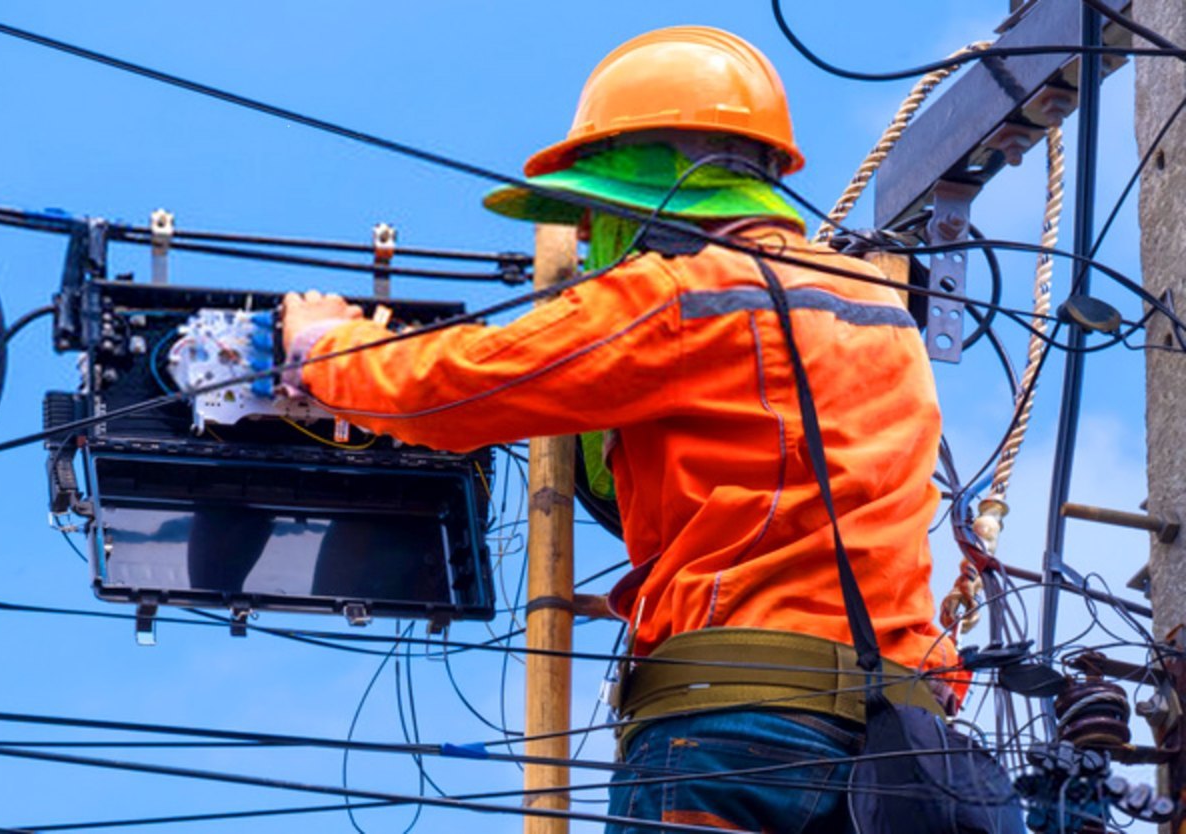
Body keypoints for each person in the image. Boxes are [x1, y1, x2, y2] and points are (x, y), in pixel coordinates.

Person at [281, 26, 984, 832]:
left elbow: (456, 385)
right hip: (899, 759)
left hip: (733, 737)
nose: (591, 249)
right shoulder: (877, 307)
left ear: (637, 194)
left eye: (593, 222)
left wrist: (324, 349)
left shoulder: (683, 294)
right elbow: (771, 485)